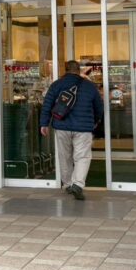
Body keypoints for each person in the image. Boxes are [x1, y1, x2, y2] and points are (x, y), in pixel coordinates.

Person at [39, 60, 104, 200]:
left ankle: (68, 184)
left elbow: (47, 105)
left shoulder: (57, 85)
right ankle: (78, 184)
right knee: (82, 156)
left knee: (64, 156)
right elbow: (99, 106)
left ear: (66, 69)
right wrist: (95, 121)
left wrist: (44, 124)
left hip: (61, 126)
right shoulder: (89, 86)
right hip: (83, 127)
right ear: (79, 70)